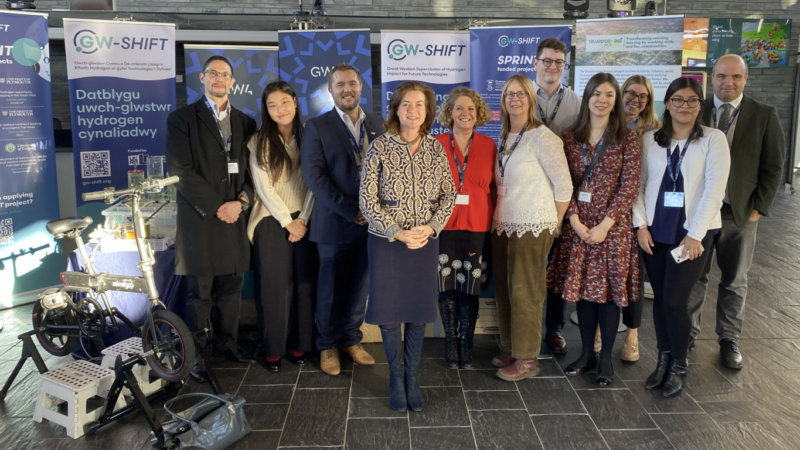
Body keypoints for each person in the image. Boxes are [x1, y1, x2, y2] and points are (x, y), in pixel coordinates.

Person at [359, 81, 456, 412]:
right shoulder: (379, 148)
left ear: (428, 111)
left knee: (417, 312)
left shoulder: (436, 149)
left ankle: (411, 378)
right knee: (388, 313)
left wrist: (430, 228)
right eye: (406, 104)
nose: (412, 110)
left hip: (424, 242)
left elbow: (449, 195)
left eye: (419, 104)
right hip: (387, 243)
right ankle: (394, 378)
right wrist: (397, 232)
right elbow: (367, 200)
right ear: (396, 109)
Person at [633, 77, 730, 397]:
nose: (684, 106)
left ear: (700, 105)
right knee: (660, 299)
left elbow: (715, 191)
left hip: (692, 235)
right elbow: (639, 184)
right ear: (667, 103)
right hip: (655, 232)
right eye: (677, 99)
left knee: (676, 300)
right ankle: (662, 360)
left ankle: (679, 363)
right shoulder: (651, 141)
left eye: (691, 100)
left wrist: (695, 235)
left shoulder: (713, 139)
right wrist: (641, 225)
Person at [688, 54, 786, 370]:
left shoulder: (764, 115)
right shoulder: (693, 108)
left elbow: (774, 166)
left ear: (745, 79)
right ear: (711, 77)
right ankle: (686, 338)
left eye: (736, 77)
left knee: (734, 280)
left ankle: (728, 340)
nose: (728, 82)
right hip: (698, 214)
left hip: (739, 214)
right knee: (694, 278)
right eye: (721, 76)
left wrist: (758, 208)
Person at [166, 55, 257, 382]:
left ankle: (227, 343)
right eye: (213, 74)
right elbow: (180, 171)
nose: (220, 79)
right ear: (202, 78)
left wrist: (241, 202)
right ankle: (199, 353)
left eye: (226, 75)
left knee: (232, 286)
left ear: (232, 81)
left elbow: (255, 172)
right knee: (200, 293)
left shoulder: (247, 123)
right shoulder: (181, 119)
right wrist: (219, 206)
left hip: (235, 219)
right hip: (201, 220)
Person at [547, 73, 641, 387]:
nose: (602, 99)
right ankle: (586, 354)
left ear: (616, 101)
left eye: (609, 94)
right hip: (578, 227)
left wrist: (604, 226)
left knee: (609, 295)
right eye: (597, 93)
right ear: (587, 97)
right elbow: (563, 183)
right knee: (585, 295)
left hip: (612, 230)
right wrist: (574, 221)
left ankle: (605, 361)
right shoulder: (569, 135)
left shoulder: (626, 137)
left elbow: (628, 188)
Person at [301, 63, 384, 376]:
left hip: (372, 226)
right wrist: (353, 211)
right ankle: (327, 347)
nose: (347, 89)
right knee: (330, 290)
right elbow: (315, 178)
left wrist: (374, 213)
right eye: (340, 85)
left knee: (358, 287)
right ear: (331, 90)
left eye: (352, 83)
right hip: (334, 224)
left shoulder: (377, 123)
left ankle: (351, 340)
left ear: (361, 87)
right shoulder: (317, 126)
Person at [491, 74, 572, 381]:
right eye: (509, 94)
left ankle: (527, 359)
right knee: (506, 290)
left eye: (521, 94)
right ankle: (513, 347)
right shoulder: (504, 135)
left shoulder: (543, 137)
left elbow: (564, 187)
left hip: (533, 226)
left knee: (526, 292)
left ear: (530, 99)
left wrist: (553, 225)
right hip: (503, 224)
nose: (514, 99)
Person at [247, 81, 317, 372]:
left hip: (306, 219)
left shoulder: (310, 136)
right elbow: (263, 188)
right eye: (272, 105)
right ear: (266, 109)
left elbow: (316, 181)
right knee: (274, 287)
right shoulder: (259, 141)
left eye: (285, 102)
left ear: (296, 103)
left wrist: (303, 219)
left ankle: (300, 343)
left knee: (304, 284)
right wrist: (288, 221)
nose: (280, 109)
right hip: (271, 220)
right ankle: (273, 348)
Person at [591, 75, 660, 363]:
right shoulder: (610, 125)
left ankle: (632, 335)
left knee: (634, 278)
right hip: (611, 215)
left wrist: (640, 220)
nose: (636, 99)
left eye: (643, 96)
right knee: (602, 275)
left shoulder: (655, 130)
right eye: (630, 93)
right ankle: (597, 330)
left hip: (639, 214)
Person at [434, 87, 497, 370]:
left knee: (470, 288)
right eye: (459, 108)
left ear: (479, 113)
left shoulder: (489, 145)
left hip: (477, 226)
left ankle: (465, 342)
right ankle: (450, 342)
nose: (465, 113)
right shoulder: (434, 144)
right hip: (443, 225)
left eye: (471, 109)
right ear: (449, 113)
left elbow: (495, 189)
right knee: (446, 287)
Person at [532, 38, 582, 355]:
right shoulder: (519, 97)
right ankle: (525, 328)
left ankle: (554, 329)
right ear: (535, 62)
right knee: (529, 267)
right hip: (528, 199)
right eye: (547, 61)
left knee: (558, 269)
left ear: (565, 66)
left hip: (564, 199)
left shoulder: (579, 104)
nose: (552, 67)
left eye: (558, 62)